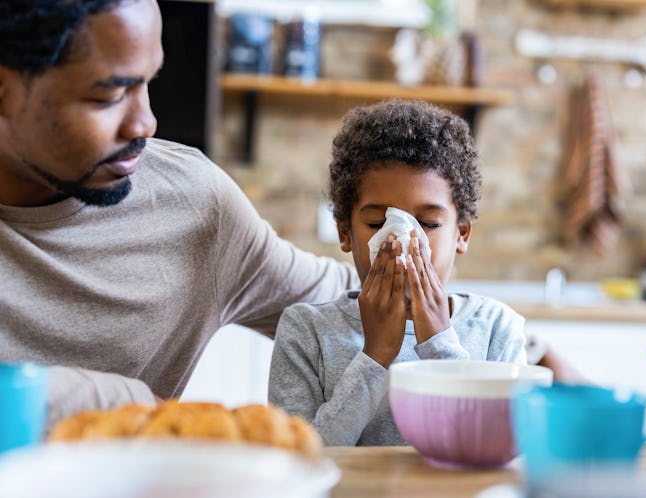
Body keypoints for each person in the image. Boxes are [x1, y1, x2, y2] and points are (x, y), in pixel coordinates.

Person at [0, 0, 357, 430]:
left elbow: (352, 305)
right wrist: (125, 399)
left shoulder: (195, 207)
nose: (145, 123)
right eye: (110, 94)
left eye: (149, 82)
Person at [268, 99, 527, 446]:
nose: (404, 244)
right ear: (345, 232)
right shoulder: (306, 332)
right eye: (377, 223)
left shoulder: (497, 329)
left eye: (429, 224)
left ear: (461, 234)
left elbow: (500, 449)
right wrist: (374, 357)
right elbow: (297, 462)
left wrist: (440, 346)